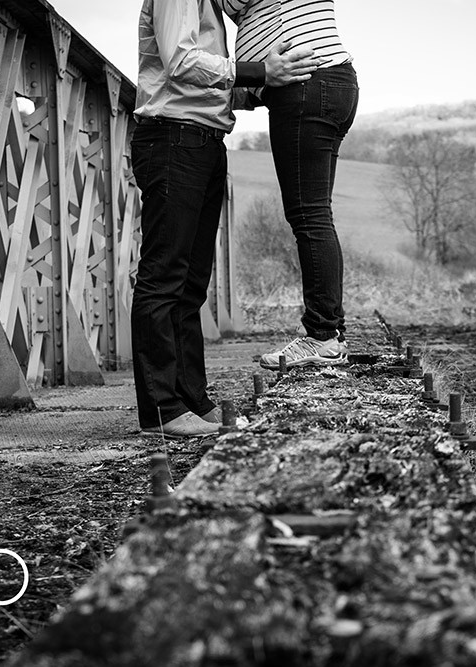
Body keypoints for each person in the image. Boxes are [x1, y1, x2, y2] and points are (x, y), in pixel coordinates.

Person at [132, 0, 322, 437]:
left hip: (201, 138)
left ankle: (190, 400)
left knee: (190, 282)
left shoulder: (208, 10)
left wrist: (269, 86)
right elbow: (181, 63)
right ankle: (160, 409)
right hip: (173, 137)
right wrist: (257, 72)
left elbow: (209, 82)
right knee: (164, 275)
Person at [218, 0, 359, 369]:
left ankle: (322, 337)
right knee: (315, 215)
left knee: (308, 216)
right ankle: (330, 333)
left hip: (307, 87)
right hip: (327, 83)